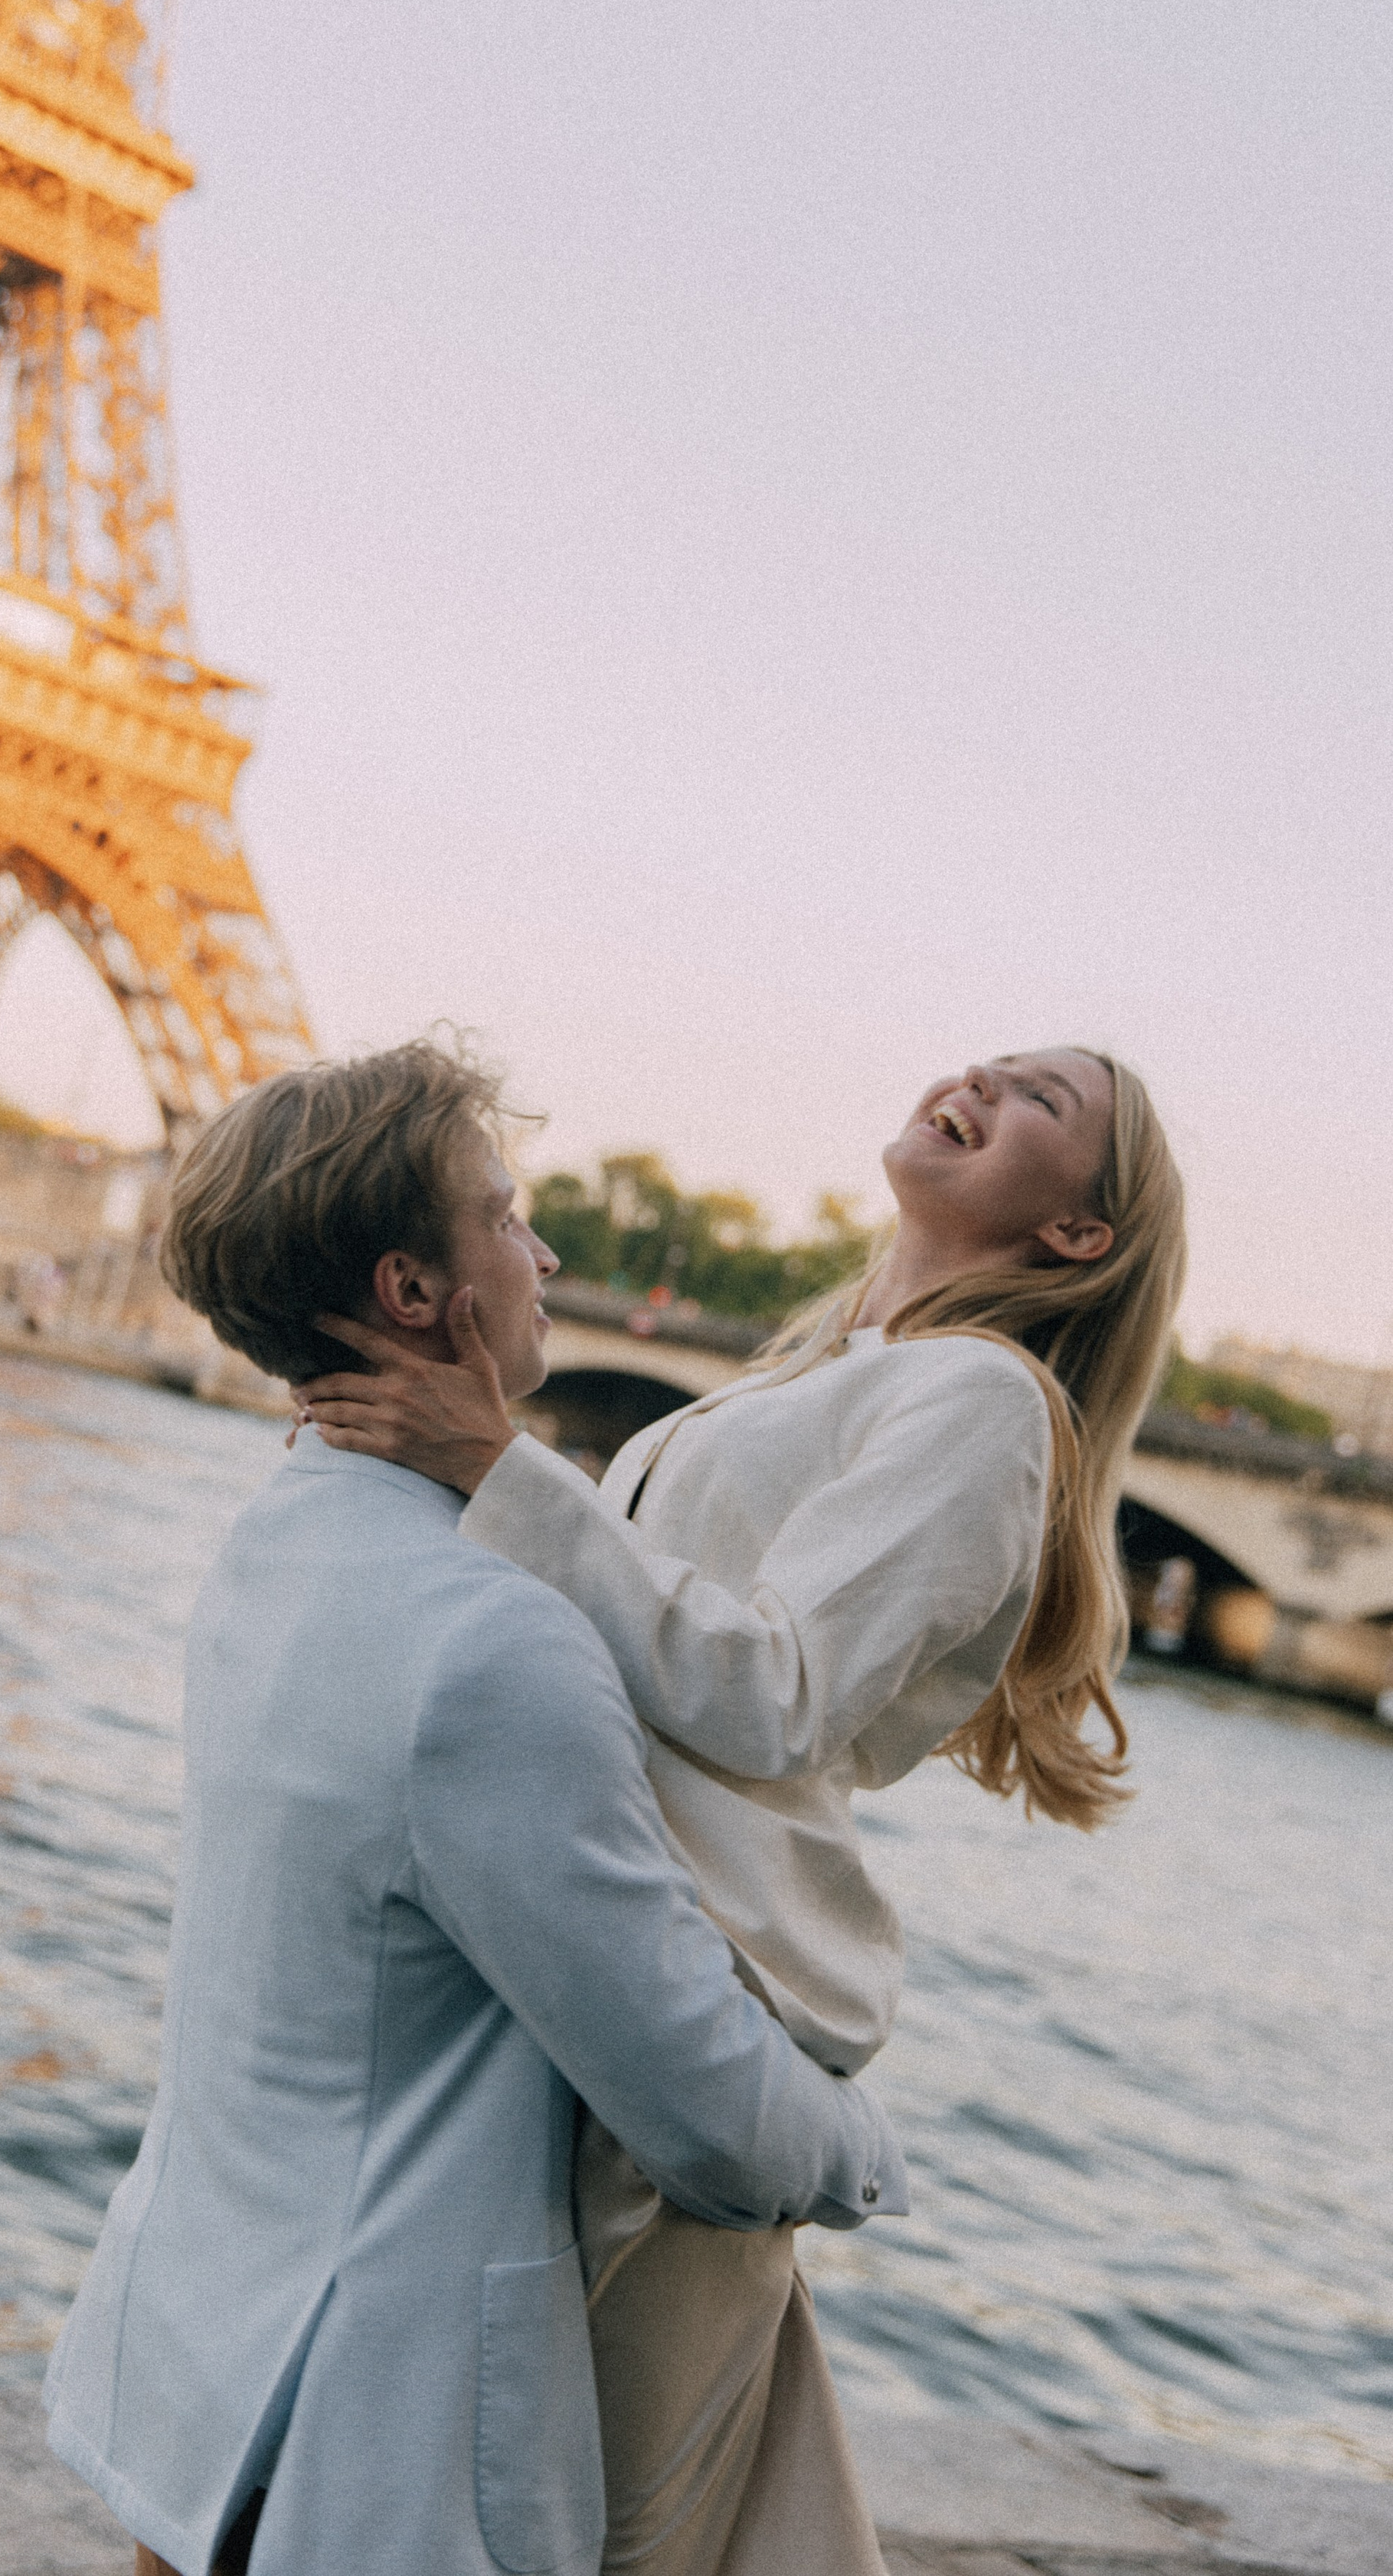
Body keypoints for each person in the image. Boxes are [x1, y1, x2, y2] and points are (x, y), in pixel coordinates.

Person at [298, 1048, 1187, 2576]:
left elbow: (774, 1687)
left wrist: (495, 1465)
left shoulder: (977, 1395)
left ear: (1078, 1236)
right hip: (607, 1946)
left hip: (685, 1981)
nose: (978, 1073)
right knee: (595, 2502)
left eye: (1042, 1097)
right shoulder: (833, 1369)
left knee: (566, 2509)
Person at [44, 1041, 907, 2576]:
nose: (540, 1245)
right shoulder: (488, 1638)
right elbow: (704, 2109)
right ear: (412, 1291)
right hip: (373, 2438)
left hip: (199, 2373)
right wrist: (859, 2143)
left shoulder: (277, 1539)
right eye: (501, 1212)